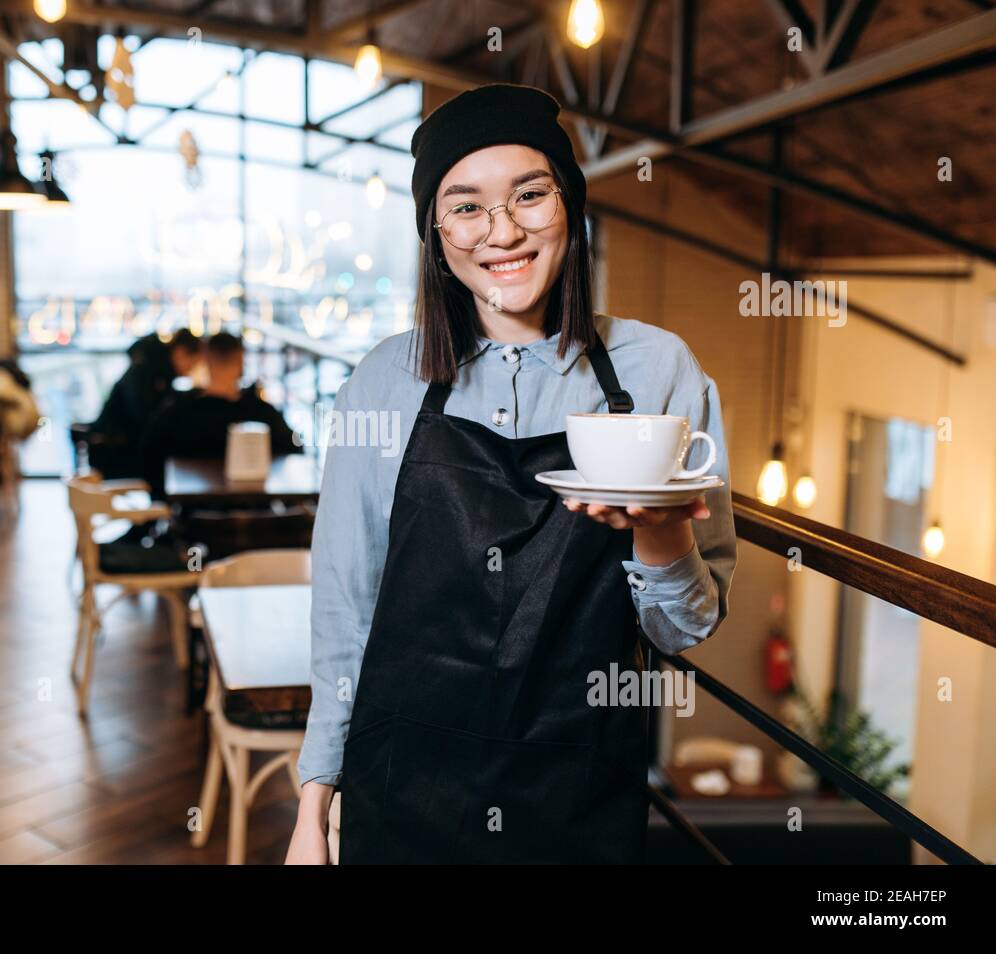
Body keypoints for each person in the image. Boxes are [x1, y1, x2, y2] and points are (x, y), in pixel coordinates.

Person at [285, 84, 738, 865]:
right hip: (404, 782)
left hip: (578, 782)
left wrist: (662, 530)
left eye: (530, 194)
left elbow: (683, 627)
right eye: (465, 206)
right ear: (433, 230)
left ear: (571, 204)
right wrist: (314, 801)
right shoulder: (382, 382)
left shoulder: (658, 369)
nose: (502, 231)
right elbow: (346, 604)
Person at [139, 331, 300, 496]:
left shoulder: (177, 412)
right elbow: (296, 451)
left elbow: (148, 454)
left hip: (191, 513)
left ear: (205, 361)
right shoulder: (262, 413)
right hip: (259, 513)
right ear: (240, 361)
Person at [87, 330, 203, 479]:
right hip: (115, 453)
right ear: (180, 352)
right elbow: (146, 420)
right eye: (193, 364)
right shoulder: (148, 374)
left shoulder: (152, 369)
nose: (190, 371)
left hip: (115, 449)